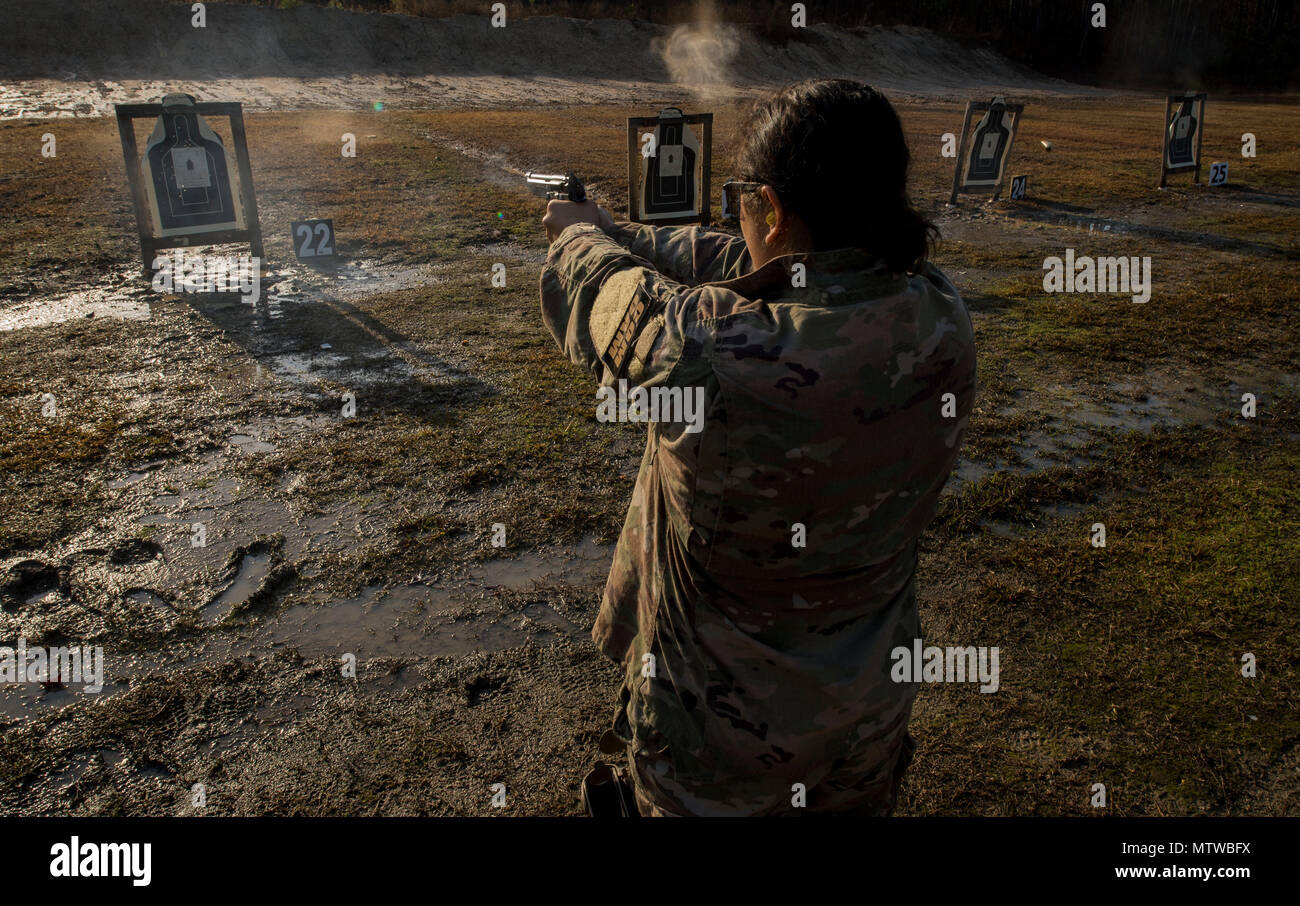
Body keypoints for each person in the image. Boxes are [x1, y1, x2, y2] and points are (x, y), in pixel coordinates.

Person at [539, 79, 976, 816]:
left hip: (719, 745)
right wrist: (626, 231)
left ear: (770, 210)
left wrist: (579, 236)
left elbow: (603, 299)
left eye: (741, 197)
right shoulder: (942, 318)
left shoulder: (708, 346)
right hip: (867, 716)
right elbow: (761, 269)